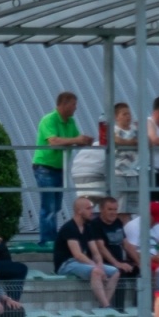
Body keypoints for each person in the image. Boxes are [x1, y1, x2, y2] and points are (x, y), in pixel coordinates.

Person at [32, 91, 93, 243]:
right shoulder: (49, 119)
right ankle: (47, 240)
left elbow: (74, 139)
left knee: (56, 205)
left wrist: (83, 140)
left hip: (59, 168)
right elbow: (53, 141)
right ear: (64, 104)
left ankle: (51, 238)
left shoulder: (70, 122)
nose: (75, 108)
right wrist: (77, 139)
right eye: (73, 104)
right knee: (49, 205)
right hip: (44, 166)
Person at [54, 195, 120, 308]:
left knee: (115, 272)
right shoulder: (69, 228)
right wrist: (97, 267)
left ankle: (104, 304)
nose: (92, 211)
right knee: (95, 271)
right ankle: (106, 306)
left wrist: (99, 264)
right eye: (89, 208)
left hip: (78, 263)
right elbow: (78, 255)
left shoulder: (87, 227)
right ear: (79, 211)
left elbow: (95, 252)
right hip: (66, 264)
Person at [87, 196, 138, 308]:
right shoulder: (95, 225)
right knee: (121, 274)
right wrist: (117, 264)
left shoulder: (118, 222)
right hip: (105, 263)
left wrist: (139, 262)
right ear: (101, 209)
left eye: (115, 209)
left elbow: (126, 244)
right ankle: (119, 308)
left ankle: (138, 307)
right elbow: (101, 248)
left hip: (119, 261)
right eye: (110, 209)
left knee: (140, 271)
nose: (113, 213)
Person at [124, 201, 159, 275]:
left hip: (155, 259)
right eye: (154, 219)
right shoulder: (133, 226)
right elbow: (130, 251)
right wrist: (150, 258)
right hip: (141, 260)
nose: (156, 222)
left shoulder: (156, 226)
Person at [112, 102, 140, 214]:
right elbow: (116, 140)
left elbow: (146, 141)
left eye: (129, 114)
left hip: (133, 172)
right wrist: (132, 142)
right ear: (116, 117)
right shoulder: (113, 130)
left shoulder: (135, 130)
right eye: (124, 114)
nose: (128, 116)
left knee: (133, 205)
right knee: (120, 205)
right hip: (118, 172)